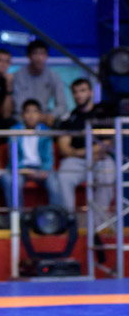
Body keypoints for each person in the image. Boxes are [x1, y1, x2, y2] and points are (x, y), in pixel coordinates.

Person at [51, 78, 117, 227]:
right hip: (76, 161)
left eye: (82, 91)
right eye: (75, 92)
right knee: (63, 177)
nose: (79, 95)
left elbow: (108, 144)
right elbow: (64, 149)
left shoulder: (103, 113)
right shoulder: (69, 118)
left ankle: (98, 225)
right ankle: (69, 222)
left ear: (91, 92)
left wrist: (80, 151)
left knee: (107, 176)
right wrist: (87, 152)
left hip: (100, 159)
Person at [0, 99, 59, 209]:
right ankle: (17, 217)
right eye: (28, 112)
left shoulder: (46, 131)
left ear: (40, 115)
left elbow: (49, 158)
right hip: (20, 169)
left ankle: (55, 216)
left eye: (35, 112)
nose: (31, 116)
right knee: (12, 181)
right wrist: (25, 170)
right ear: (23, 115)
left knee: (54, 181)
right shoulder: (14, 130)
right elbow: (13, 158)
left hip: (40, 169)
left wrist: (43, 171)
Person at [12, 40, 69, 127]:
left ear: (46, 56)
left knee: (62, 124)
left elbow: (62, 105)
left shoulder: (53, 76)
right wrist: (34, 116)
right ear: (29, 56)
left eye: (42, 54)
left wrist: (52, 115)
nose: (39, 58)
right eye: (35, 53)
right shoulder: (18, 76)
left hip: (46, 119)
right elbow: (18, 106)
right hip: (23, 118)